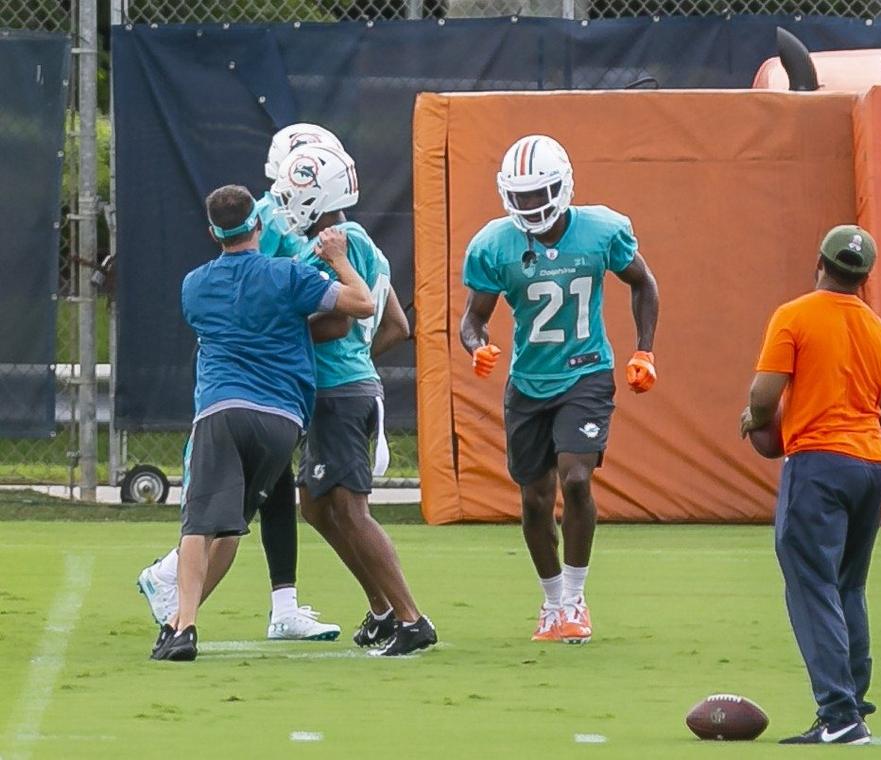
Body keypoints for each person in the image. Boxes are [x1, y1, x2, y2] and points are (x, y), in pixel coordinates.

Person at [137, 123, 345, 642]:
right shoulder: (278, 245)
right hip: (266, 390)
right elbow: (348, 303)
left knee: (237, 511)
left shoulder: (198, 281)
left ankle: (209, 611)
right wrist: (331, 265)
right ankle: (180, 594)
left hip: (235, 389)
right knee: (222, 515)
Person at [459, 135, 660, 645]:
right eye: (521, 196)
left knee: (574, 479)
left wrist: (644, 350)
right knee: (533, 500)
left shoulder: (602, 230)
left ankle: (574, 599)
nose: (530, 206)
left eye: (539, 193)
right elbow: (473, 319)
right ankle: (551, 603)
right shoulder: (494, 243)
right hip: (528, 381)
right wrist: (476, 346)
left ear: (563, 186)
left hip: (586, 371)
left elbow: (643, 282)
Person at [740, 224, 881, 744]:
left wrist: (755, 419)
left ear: (820, 262)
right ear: (865, 277)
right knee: (849, 586)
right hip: (873, 466)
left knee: (811, 586)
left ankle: (839, 716)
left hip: (819, 463)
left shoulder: (795, 315)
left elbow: (765, 397)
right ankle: (854, 705)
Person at [272, 142, 433, 657]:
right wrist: (361, 363)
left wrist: (274, 334)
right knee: (316, 507)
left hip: (337, 391)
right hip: (346, 385)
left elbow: (339, 318)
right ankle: (383, 609)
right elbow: (397, 326)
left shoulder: (339, 243)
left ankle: (411, 619)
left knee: (350, 509)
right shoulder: (362, 244)